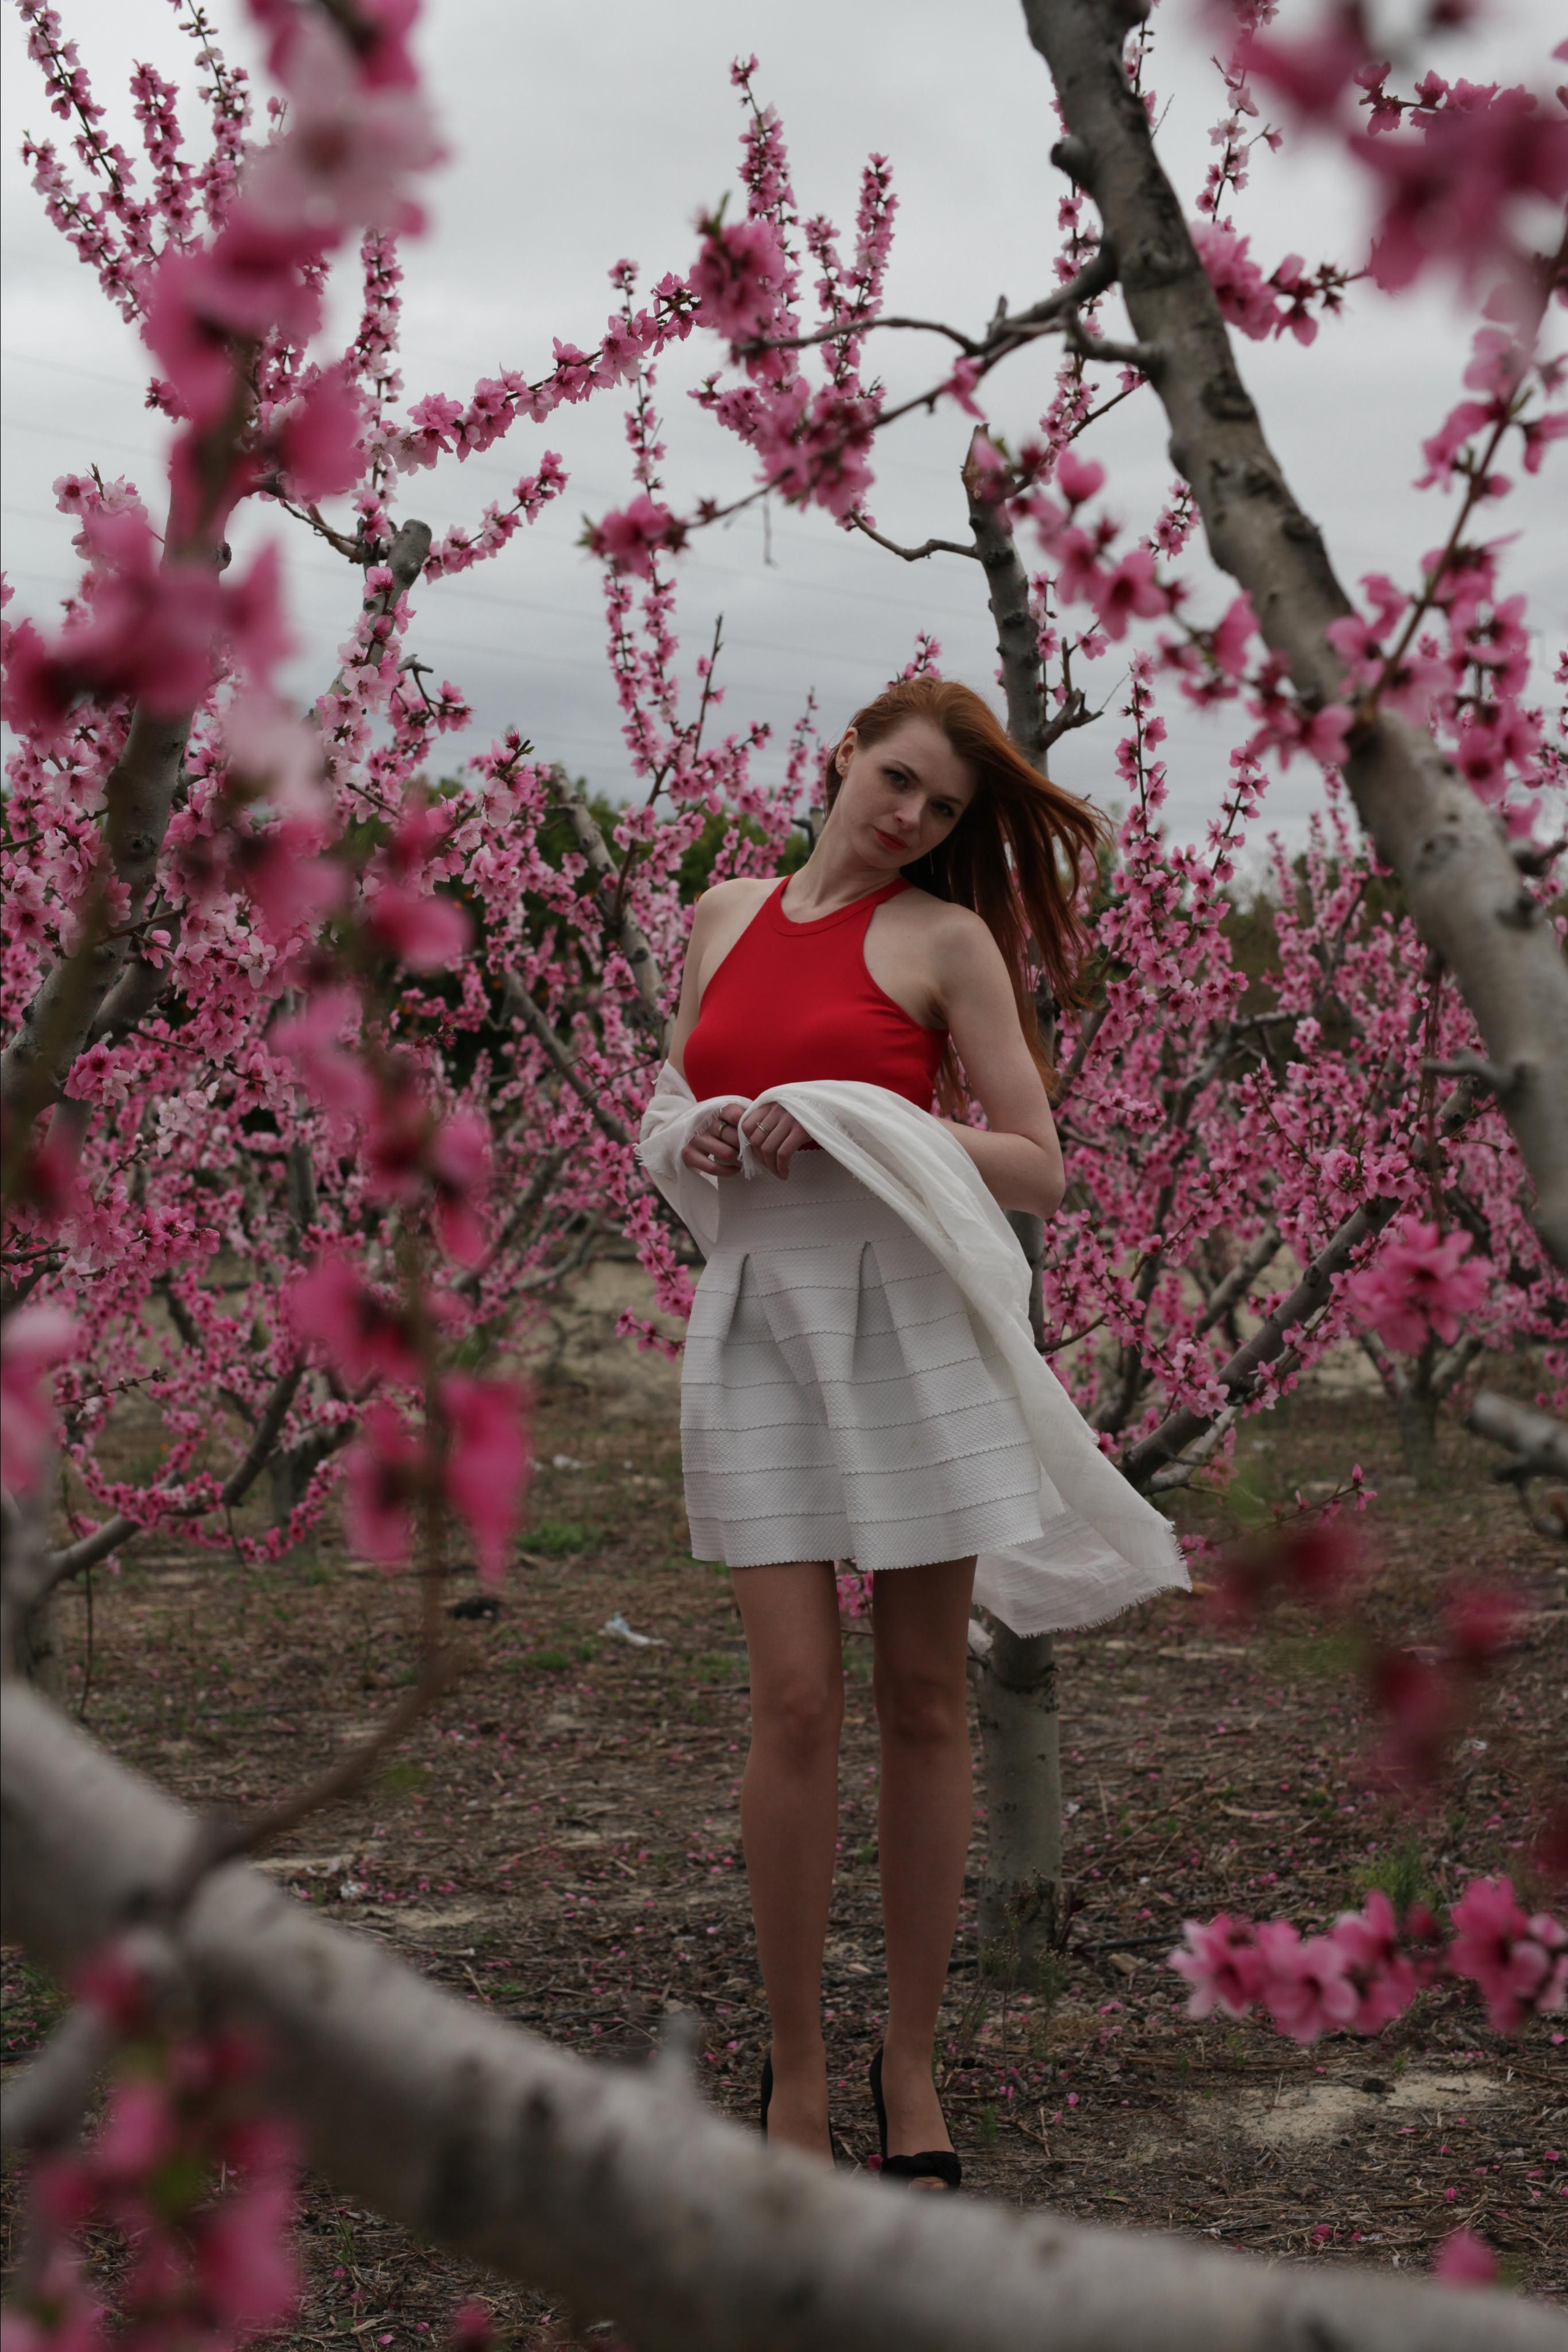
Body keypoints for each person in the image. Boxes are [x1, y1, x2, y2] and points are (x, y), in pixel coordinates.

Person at [639, 676, 1186, 2188]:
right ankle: (798, 2063)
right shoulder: (722, 909)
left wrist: (850, 1115)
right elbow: (676, 1097)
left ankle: (911, 2059)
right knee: (794, 1705)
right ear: (838, 754)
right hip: (759, 1325)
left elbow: (1036, 1166)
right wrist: (710, 1128)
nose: (909, 818)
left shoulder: (945, 942)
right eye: (895, 781)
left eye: (941, 808)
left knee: (927, 1699)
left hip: (911, 1330)